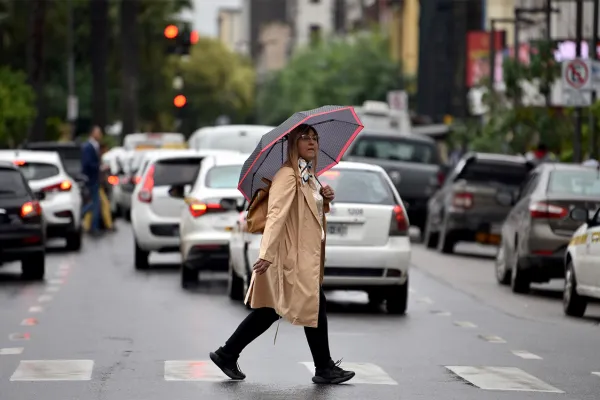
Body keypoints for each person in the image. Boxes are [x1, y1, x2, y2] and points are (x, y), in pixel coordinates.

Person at [209, 124, 356, 385]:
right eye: (305, 138)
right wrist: (265, 254)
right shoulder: (287, 176)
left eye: (315, 138)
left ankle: (227, 353)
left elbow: (307, 213)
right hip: (288, 255)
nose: (312, 143)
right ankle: (324, 367)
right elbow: (276, 215)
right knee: (310, 304)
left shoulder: (308, 175)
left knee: (274, 309)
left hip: (300, 255)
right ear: (292, 144)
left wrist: (326, 198)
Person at [81, 126, 103, 236]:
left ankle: (93, 225)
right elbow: (87, 164)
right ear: (92, 133)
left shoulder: (95, 146)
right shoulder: (88, 147)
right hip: (91, 179)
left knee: (95, 203)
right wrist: (99, 167)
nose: (100, 135)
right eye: (98, 132)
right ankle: (92, 225)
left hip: (94, 178)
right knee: (95, 203)